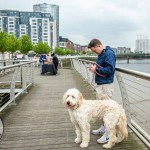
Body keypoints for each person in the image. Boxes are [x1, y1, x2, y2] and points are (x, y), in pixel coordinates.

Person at [88, 39, 116, 144]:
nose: (94, 52)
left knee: (108, 111)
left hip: (106, 85)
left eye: (95, 50)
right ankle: (104, 128)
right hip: (100, 84)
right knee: (101, 109)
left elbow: (110, 69)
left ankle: (109, 134)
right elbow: (102, 67)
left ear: (99, 46)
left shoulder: (109, 54)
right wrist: (95, 68)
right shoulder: (102, 54)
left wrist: (97, 70)